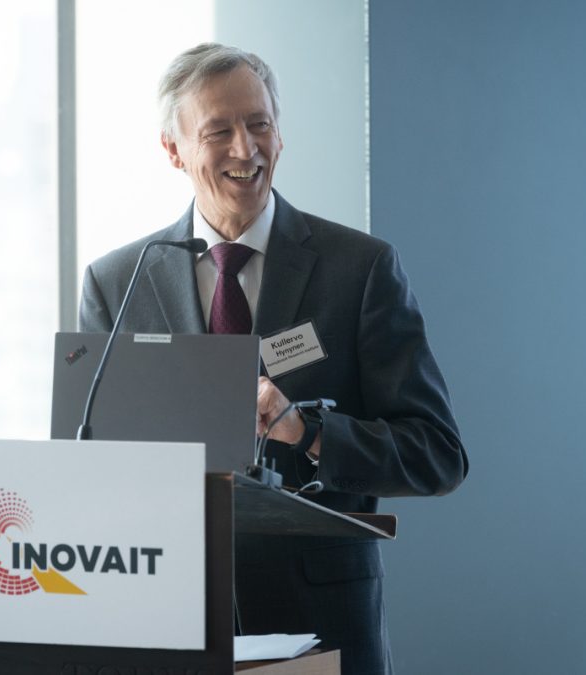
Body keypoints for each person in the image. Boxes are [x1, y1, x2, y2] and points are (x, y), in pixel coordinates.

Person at [79, 42, 467, 675]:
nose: (245, 148)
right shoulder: (117, 283)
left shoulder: (360, 270)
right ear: (173, 150)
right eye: (219, 131)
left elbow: (437, 455)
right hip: (165, 621)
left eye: (259, 124)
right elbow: (93, 465)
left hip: (320, 626)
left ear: (280, 135)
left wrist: (305, 431)